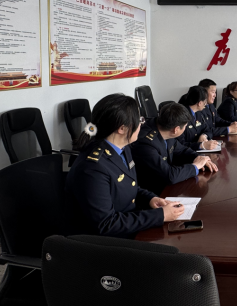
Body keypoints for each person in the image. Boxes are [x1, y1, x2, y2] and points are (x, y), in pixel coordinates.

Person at [64, 93, 184, 238]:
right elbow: (107, 224)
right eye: (139, 120)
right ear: (122, 129)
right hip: (103, 242)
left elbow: (128, 187)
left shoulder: (122, 148)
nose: (141, 124)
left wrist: (151, 199)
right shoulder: (92, 168)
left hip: (128, 224)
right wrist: (160, 215)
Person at [131, 102, 219, 195]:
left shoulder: (164, 126)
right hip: (153, 192)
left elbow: (182, 150)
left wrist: (198, 158)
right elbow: (170, 176)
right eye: (185, 126)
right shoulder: (146, 143)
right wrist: (195, 166)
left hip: (167, 185)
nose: (185, 129)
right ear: (176, 129)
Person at [178, 86, 219, 151]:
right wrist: (201, 145)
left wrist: (204, 135)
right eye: (205, 101)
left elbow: (208, 129)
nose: (206, 104)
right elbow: (179, 144)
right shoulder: (181, 116)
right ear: (199, 103)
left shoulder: (198, 113)